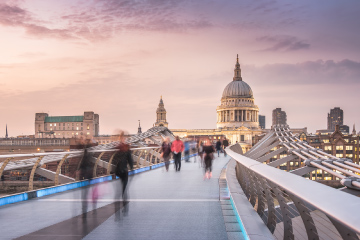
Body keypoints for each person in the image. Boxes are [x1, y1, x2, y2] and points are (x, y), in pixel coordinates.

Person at [113, 131, 134, 219]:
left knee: (118, 192)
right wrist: (132, 169)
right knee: (123, 191)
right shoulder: (127, 149)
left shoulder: (117, 149)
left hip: (119, 171)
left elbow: (114, 161)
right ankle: (125, 209)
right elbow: (131, 161)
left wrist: (113, 172)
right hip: (124, 171)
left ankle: (118, 213)